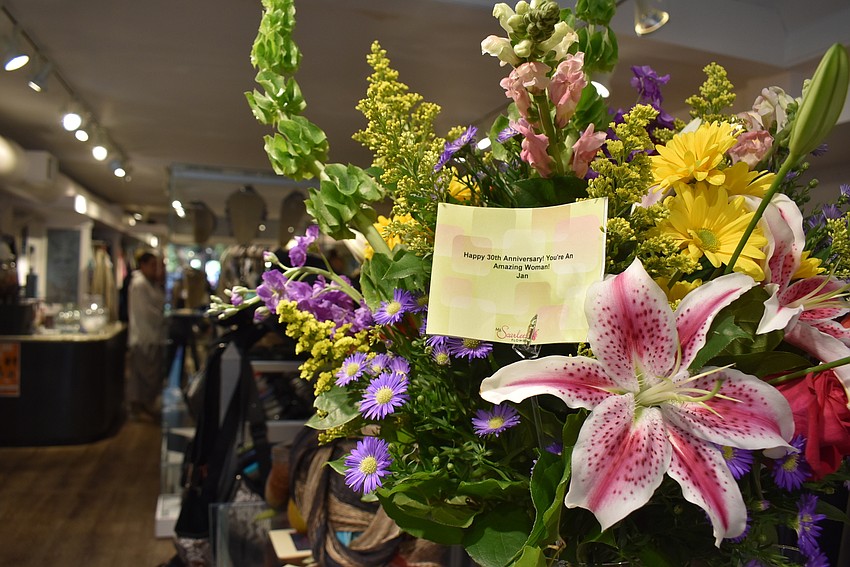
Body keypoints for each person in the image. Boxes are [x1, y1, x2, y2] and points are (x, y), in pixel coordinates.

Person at [127, 250, 166, 420]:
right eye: (152, 265)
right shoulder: (140, 284)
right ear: (142, 265)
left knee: (147, 374)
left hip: (151, 335)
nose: (155, 269)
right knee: (144, 375)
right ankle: (141, 408)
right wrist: (163, 317)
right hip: (144, 335)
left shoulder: (150, 283)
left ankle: (143, 407)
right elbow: (147, 313)